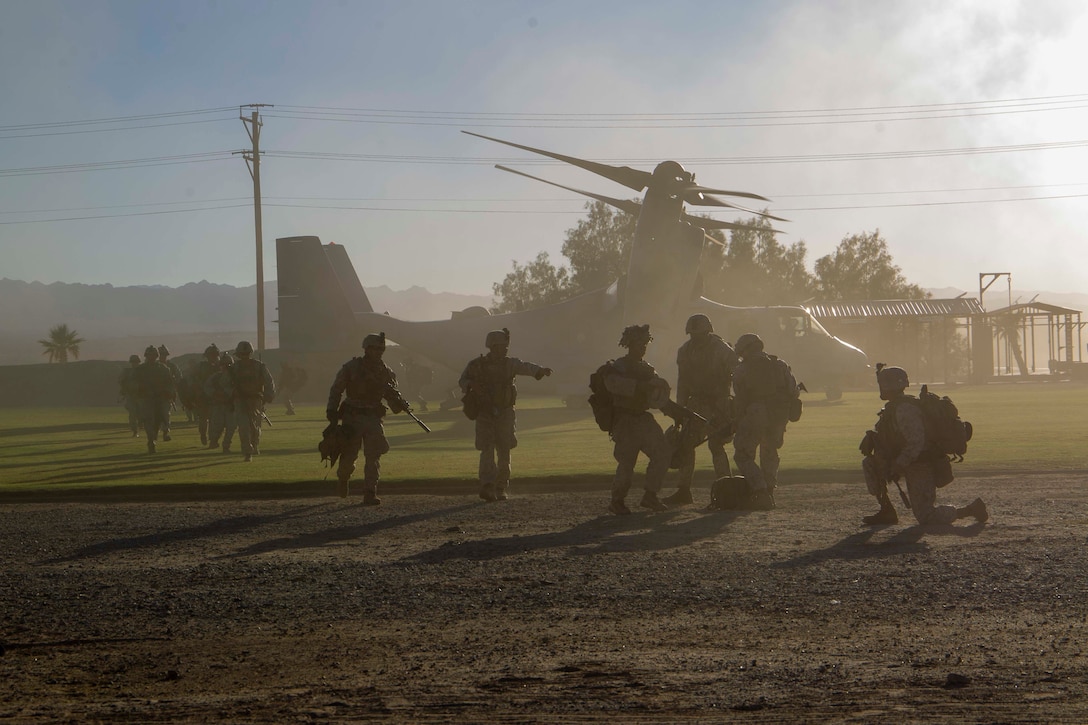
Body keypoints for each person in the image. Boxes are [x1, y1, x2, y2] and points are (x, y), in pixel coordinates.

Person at [861, 364, 988, 526]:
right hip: (906, 460)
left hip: (920, 463)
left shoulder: (904, 409)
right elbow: (895, 437)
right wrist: (874, 438)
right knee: (870, 463)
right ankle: (887, 511)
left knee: (926, 516)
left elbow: (916, 442)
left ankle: (971, 509)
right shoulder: (893, 408)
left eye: (883, 384)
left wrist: (899, 465)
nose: (881, 388)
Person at [459, 328, 552, 502]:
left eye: (505, 346)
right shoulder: (476, 365)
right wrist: (472, 384)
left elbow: (525, 367)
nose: (505, 349)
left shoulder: (510, 364)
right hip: (485, 413)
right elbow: (462, 381)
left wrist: (540, 371)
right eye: (502, 346)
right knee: (486, 448)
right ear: (493, 346)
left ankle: (501, 486)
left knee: (504, 449)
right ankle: (487, 485)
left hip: (505, 412)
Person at [326, 332, 411, 504]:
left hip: (373, 418)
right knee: (349, 456)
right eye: (375, 348)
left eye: (381, 349)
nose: (379, 352)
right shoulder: (351, 367)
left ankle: (370, 492)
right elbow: (337, 389)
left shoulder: (386, 372)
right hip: (352, 417)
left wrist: (400, 404)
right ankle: (343, 479)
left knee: (374, 456)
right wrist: (332, 410)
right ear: (367, 349)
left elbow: (392, 395)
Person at [664, 313, 739, 507]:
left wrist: (734, 403)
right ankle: (683, 491)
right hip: (695, 404)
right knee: (686, 446)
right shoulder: (685, 351)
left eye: (699, 334)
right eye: (693, 335)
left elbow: (738, 373)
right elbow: (683, 382)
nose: (695, 338)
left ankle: (726, 489)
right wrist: (680, 410)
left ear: (708, 331)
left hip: (719, 404)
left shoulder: (722, 349)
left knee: (716, 445)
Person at [600, 324, 675, 515]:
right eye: (638, 343)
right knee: (627, 462)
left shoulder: (648, 369)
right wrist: (640, 386)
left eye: (644, 343)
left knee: (662, 453)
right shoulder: (618, 367)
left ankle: (650, 495)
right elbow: (612, 385)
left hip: (643, 418)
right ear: (629, 344)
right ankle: (617, 500)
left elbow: (657, 397)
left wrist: (672, 407)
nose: (642, 347)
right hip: (625, 420)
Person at [731, 333, 800, 510]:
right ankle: (769, 491)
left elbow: (739, 399)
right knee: (769, 451)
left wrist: (737, 420)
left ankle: (760, 491)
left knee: (743, 455)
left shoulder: (742, 369)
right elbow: (793, 391)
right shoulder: (780, 364)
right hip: (779, 415)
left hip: (755, 413)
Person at [229, 340, 275, 462]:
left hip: (256, 400)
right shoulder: (234, 368)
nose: (244, 357)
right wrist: (233, 392)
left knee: (255, 427)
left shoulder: (259, 366)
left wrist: (268, 395)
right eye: (242, 354)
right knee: (243, 427)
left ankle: (254, 445)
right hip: (240, 400)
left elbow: (269, 381)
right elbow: (225, 383)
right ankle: (247, 452)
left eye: (246, 354)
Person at [132, 345, 176, 453]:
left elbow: (170, 382)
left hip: (161, 398)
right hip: (147, 398)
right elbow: (133, 383)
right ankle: (151, 440)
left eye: (154, 355)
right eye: (150, 355)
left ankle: (158, 435)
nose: (152, 357)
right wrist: (140, 391)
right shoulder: (140, 369)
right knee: (148, 420)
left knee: (163, 416)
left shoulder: (163, 368)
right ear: (146, 356)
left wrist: (169, 393)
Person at [186, 344, 220, 445]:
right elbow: (190, 377)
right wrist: (195, 387)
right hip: (202, 395)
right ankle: (203, 435)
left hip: (215, 395)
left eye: (215, 355)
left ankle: (212, 438)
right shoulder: (201, 366)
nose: (213, 357)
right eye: (211, 355)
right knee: (203, 418)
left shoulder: (220, 366)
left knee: (215, 419)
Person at [204, 351, 236, 453]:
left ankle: (226, 445)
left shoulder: (236, 377)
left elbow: (238, 389)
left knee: (231, 427)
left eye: (227, 365)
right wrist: (215, 394)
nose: (225, 367)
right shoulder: (215, 377)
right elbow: (207, 388)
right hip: (218, 405)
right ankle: (213, 441)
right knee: (216, 426)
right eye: (223, 365)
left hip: (231, 405)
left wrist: (228, 394)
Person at [157, 344, 183, 440]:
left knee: (165, 414)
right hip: (154, 395)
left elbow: (179, 378)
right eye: (161, 354)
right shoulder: (154, 366)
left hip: (167, 394)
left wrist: (173, 382)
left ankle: (165, 432)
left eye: (164, 354)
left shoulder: (172, 366)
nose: (163, 356)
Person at [118, 354, 142, 437]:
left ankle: (141, 425)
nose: (134, 363)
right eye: (133, 362)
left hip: (141, 395)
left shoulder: (143, 371)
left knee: (141, 413)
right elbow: (122, 383)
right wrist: (123, 391)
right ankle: (135, 430)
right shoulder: (127, 372)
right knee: (132, 413)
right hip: (131, 395)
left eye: (136, 362)